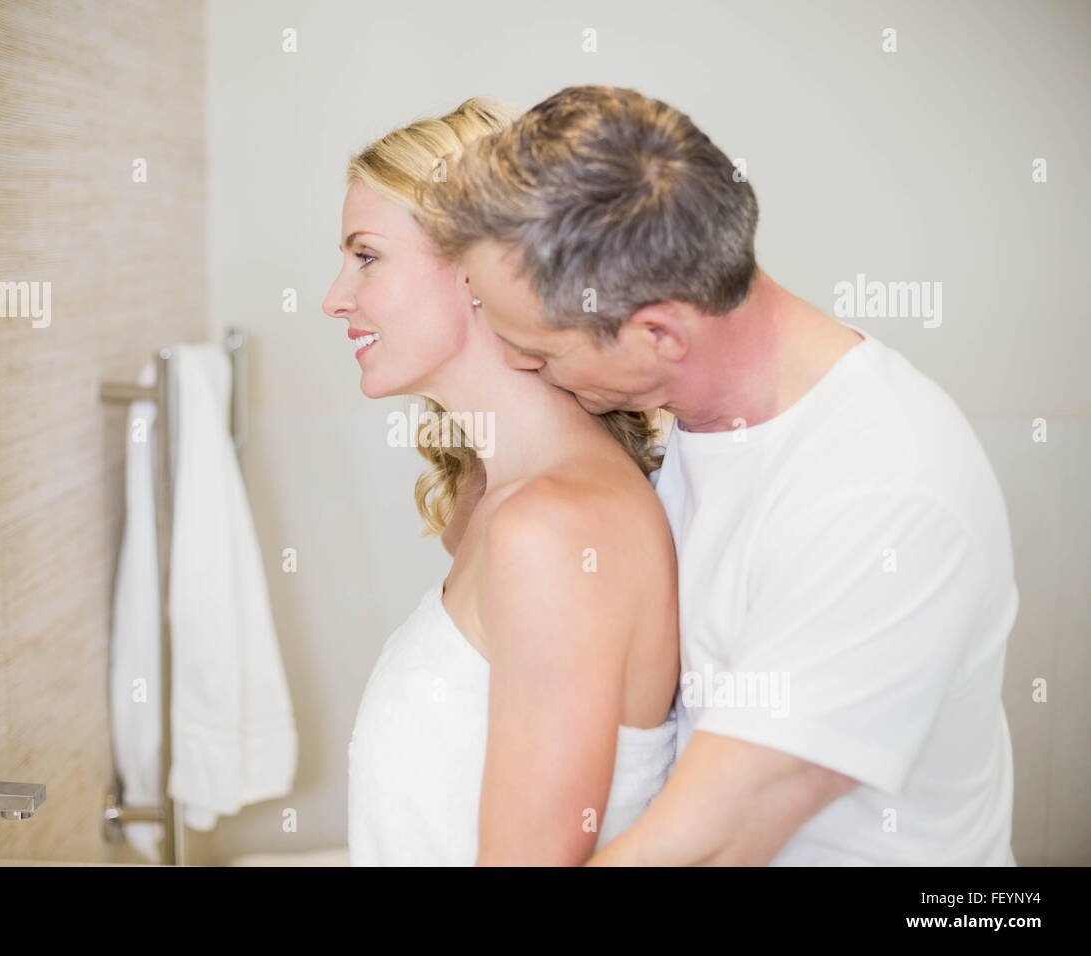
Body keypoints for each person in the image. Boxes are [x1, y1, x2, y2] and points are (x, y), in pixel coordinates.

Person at [422, 84, 1018, 865]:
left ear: (658, 333)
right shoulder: (691, 424)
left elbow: (711, 846)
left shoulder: (884, 488)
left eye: (541, 348)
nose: (522, 365)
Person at [323, 98, 681, 865]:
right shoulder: (490, 503)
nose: (335, 297)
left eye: (366, 256)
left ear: (477, 270)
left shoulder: (553, 531)